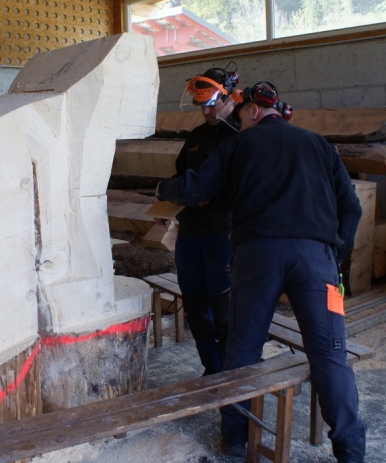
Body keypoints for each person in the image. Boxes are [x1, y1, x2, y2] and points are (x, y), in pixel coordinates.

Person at [156, 81, 366, 462]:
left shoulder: (240, 144)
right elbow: (352, 208)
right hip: (316, 259)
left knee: (243, 351)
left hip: (257, 257)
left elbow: (197, 187)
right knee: (331, 356)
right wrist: (334, 255)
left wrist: (161, 188)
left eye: (241, 115)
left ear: (253, 111)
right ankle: (350, 452)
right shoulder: (319, 145)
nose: (239, 122)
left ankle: (235, 440)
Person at [173, 66, 239, 376]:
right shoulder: (197, 137)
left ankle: (231, 371)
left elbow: (248, 186)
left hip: (222, 235)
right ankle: (211, 369)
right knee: (196, 308)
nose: (206, 111)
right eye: (201, 105)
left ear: (229, 98)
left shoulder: (241, 135)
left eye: (211, 104)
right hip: (190, 234)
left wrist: (214, 197)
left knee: (224, 310)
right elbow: (180, 176)